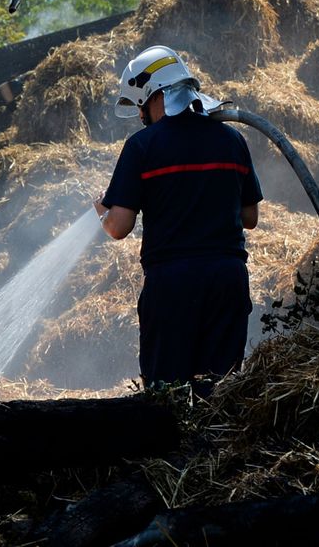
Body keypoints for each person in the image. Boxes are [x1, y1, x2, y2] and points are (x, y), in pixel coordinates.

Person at [93, 45, 262, 388]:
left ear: (154, 95)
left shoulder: (142, 147)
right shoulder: (232, 140)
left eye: (141, 105)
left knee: (168, 391)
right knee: (221, 388)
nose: (141, 116)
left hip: (173, 284)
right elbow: (250, 217)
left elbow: (119, 227)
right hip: (227, 280)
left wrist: (102, 212)